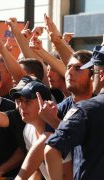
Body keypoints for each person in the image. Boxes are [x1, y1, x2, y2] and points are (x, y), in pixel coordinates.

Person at [44, 46, 104, 179]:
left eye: (77, 68)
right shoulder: (59, 109)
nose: (69, 73)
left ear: (96, 74)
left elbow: (52, 148)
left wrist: (53, 121)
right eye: (68, 67)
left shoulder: (86, 109)